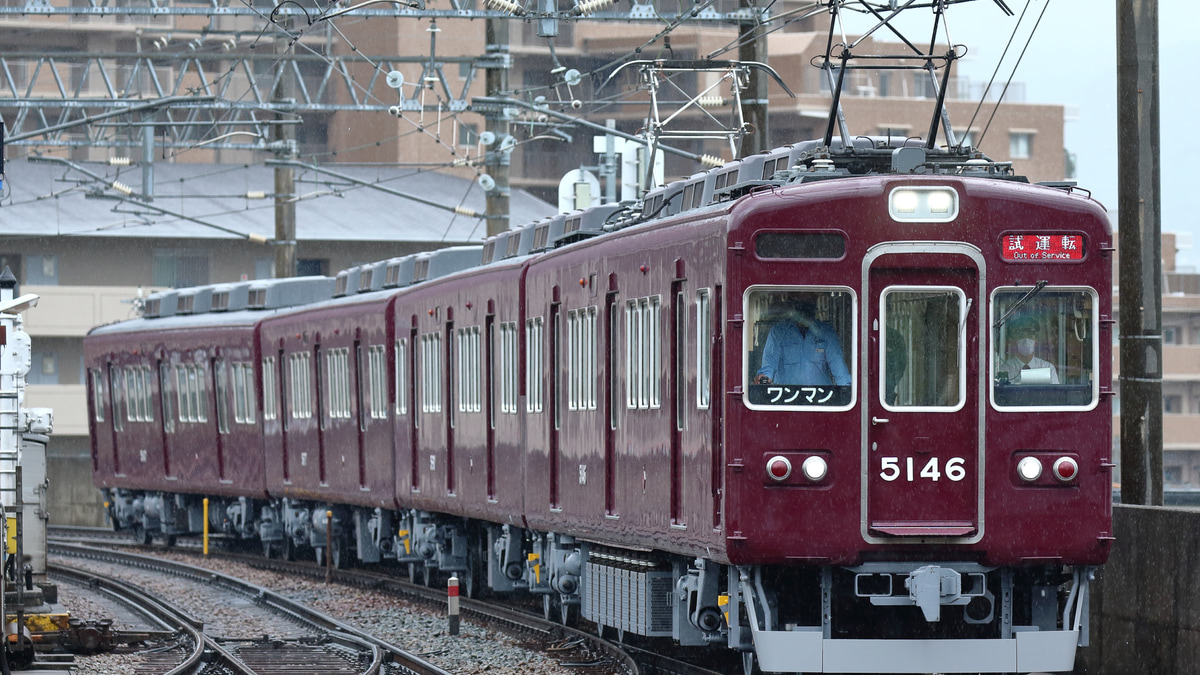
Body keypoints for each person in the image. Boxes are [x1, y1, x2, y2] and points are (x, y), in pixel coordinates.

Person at [754, 297, 851, 386]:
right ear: (794, 307)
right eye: (801, 304)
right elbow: (768, 366)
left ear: (815, 307)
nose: (805, 309)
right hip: (786, 399)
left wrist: (847, 392)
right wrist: (764, 379)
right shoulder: (778, 332)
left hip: (821, 400)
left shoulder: (826, 333)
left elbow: (839, 370)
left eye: (809, 303)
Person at [999, 316, 1059, 384]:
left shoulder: (1048, 368)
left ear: (1036, 341)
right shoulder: (1005, 369)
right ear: (1014, 341)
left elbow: (1056, 394)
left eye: (1030, 336)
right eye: (1021, 336)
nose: (1026, 340)